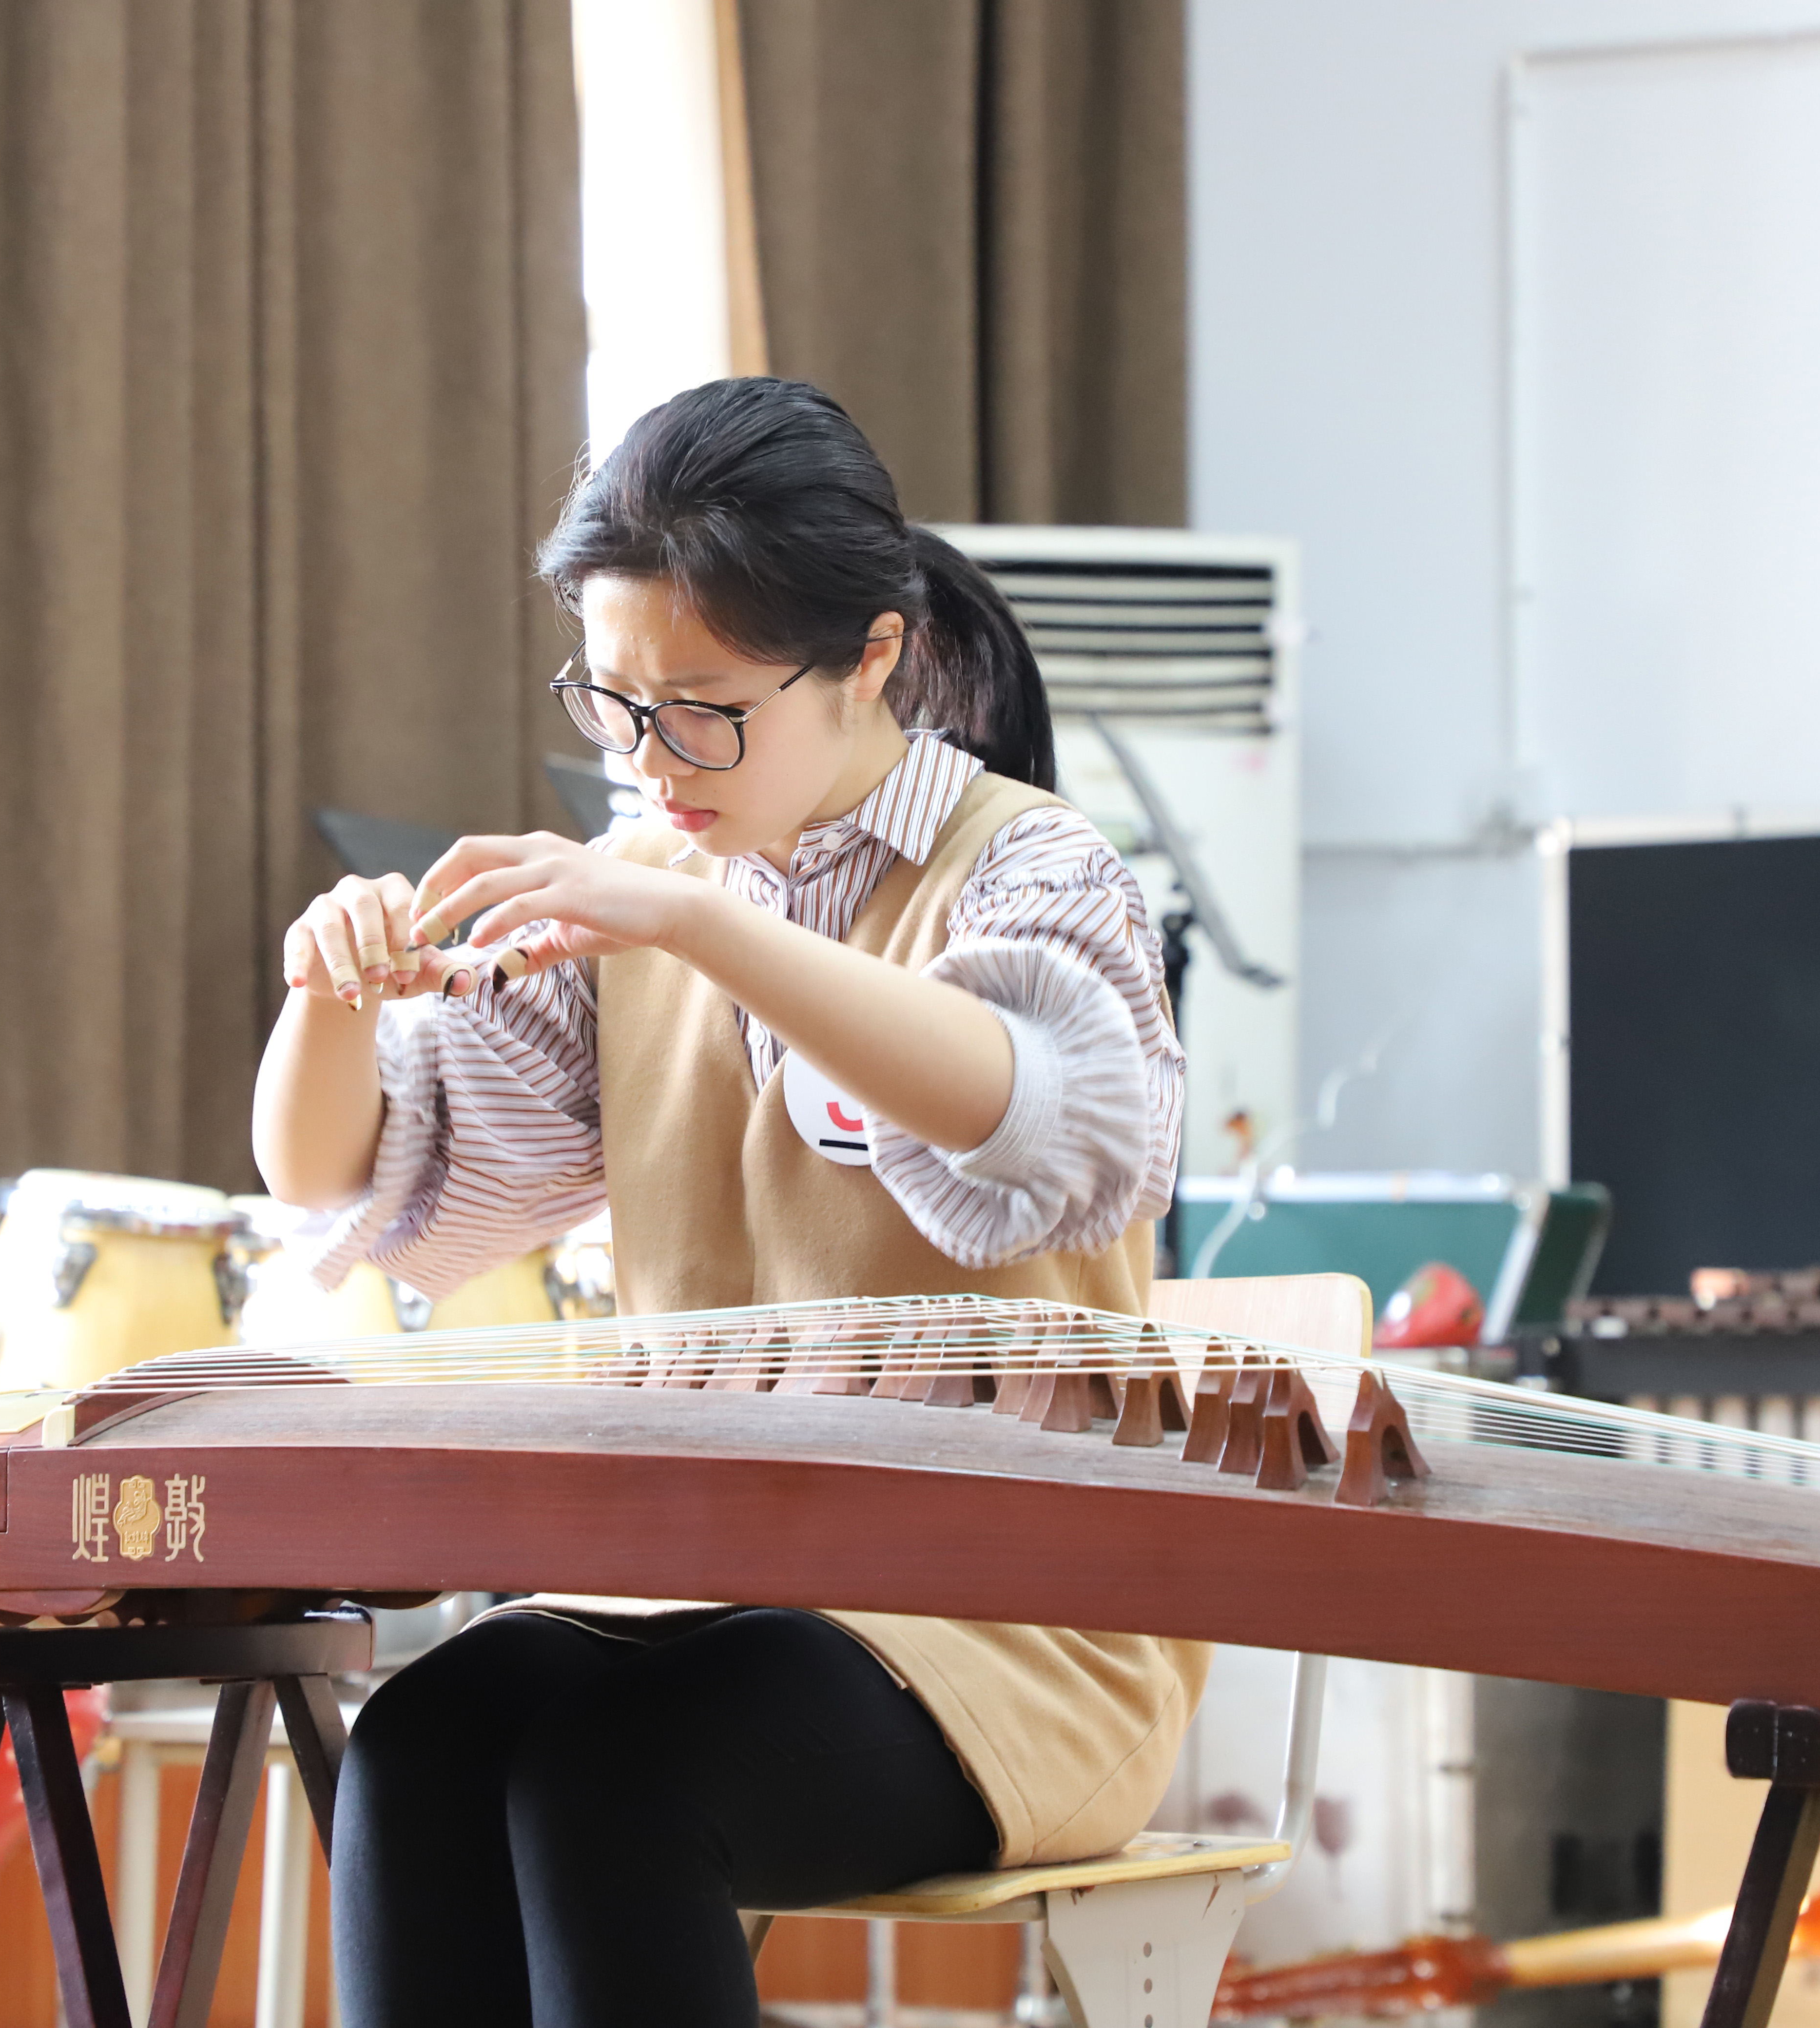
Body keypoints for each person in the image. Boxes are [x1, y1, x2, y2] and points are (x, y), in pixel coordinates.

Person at [252, 376, 1203, 2028]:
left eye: (701, 710)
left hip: (1015, 1624)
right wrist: (328, 990)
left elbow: (1041, 1118)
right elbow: (344, 1170)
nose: (646, 761)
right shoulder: (643, 897)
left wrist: (700, 922)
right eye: (613, 704)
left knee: (615, 1782)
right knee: (420, 1746)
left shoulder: (1030, 866)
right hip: (702, 1589)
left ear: (872, 659)